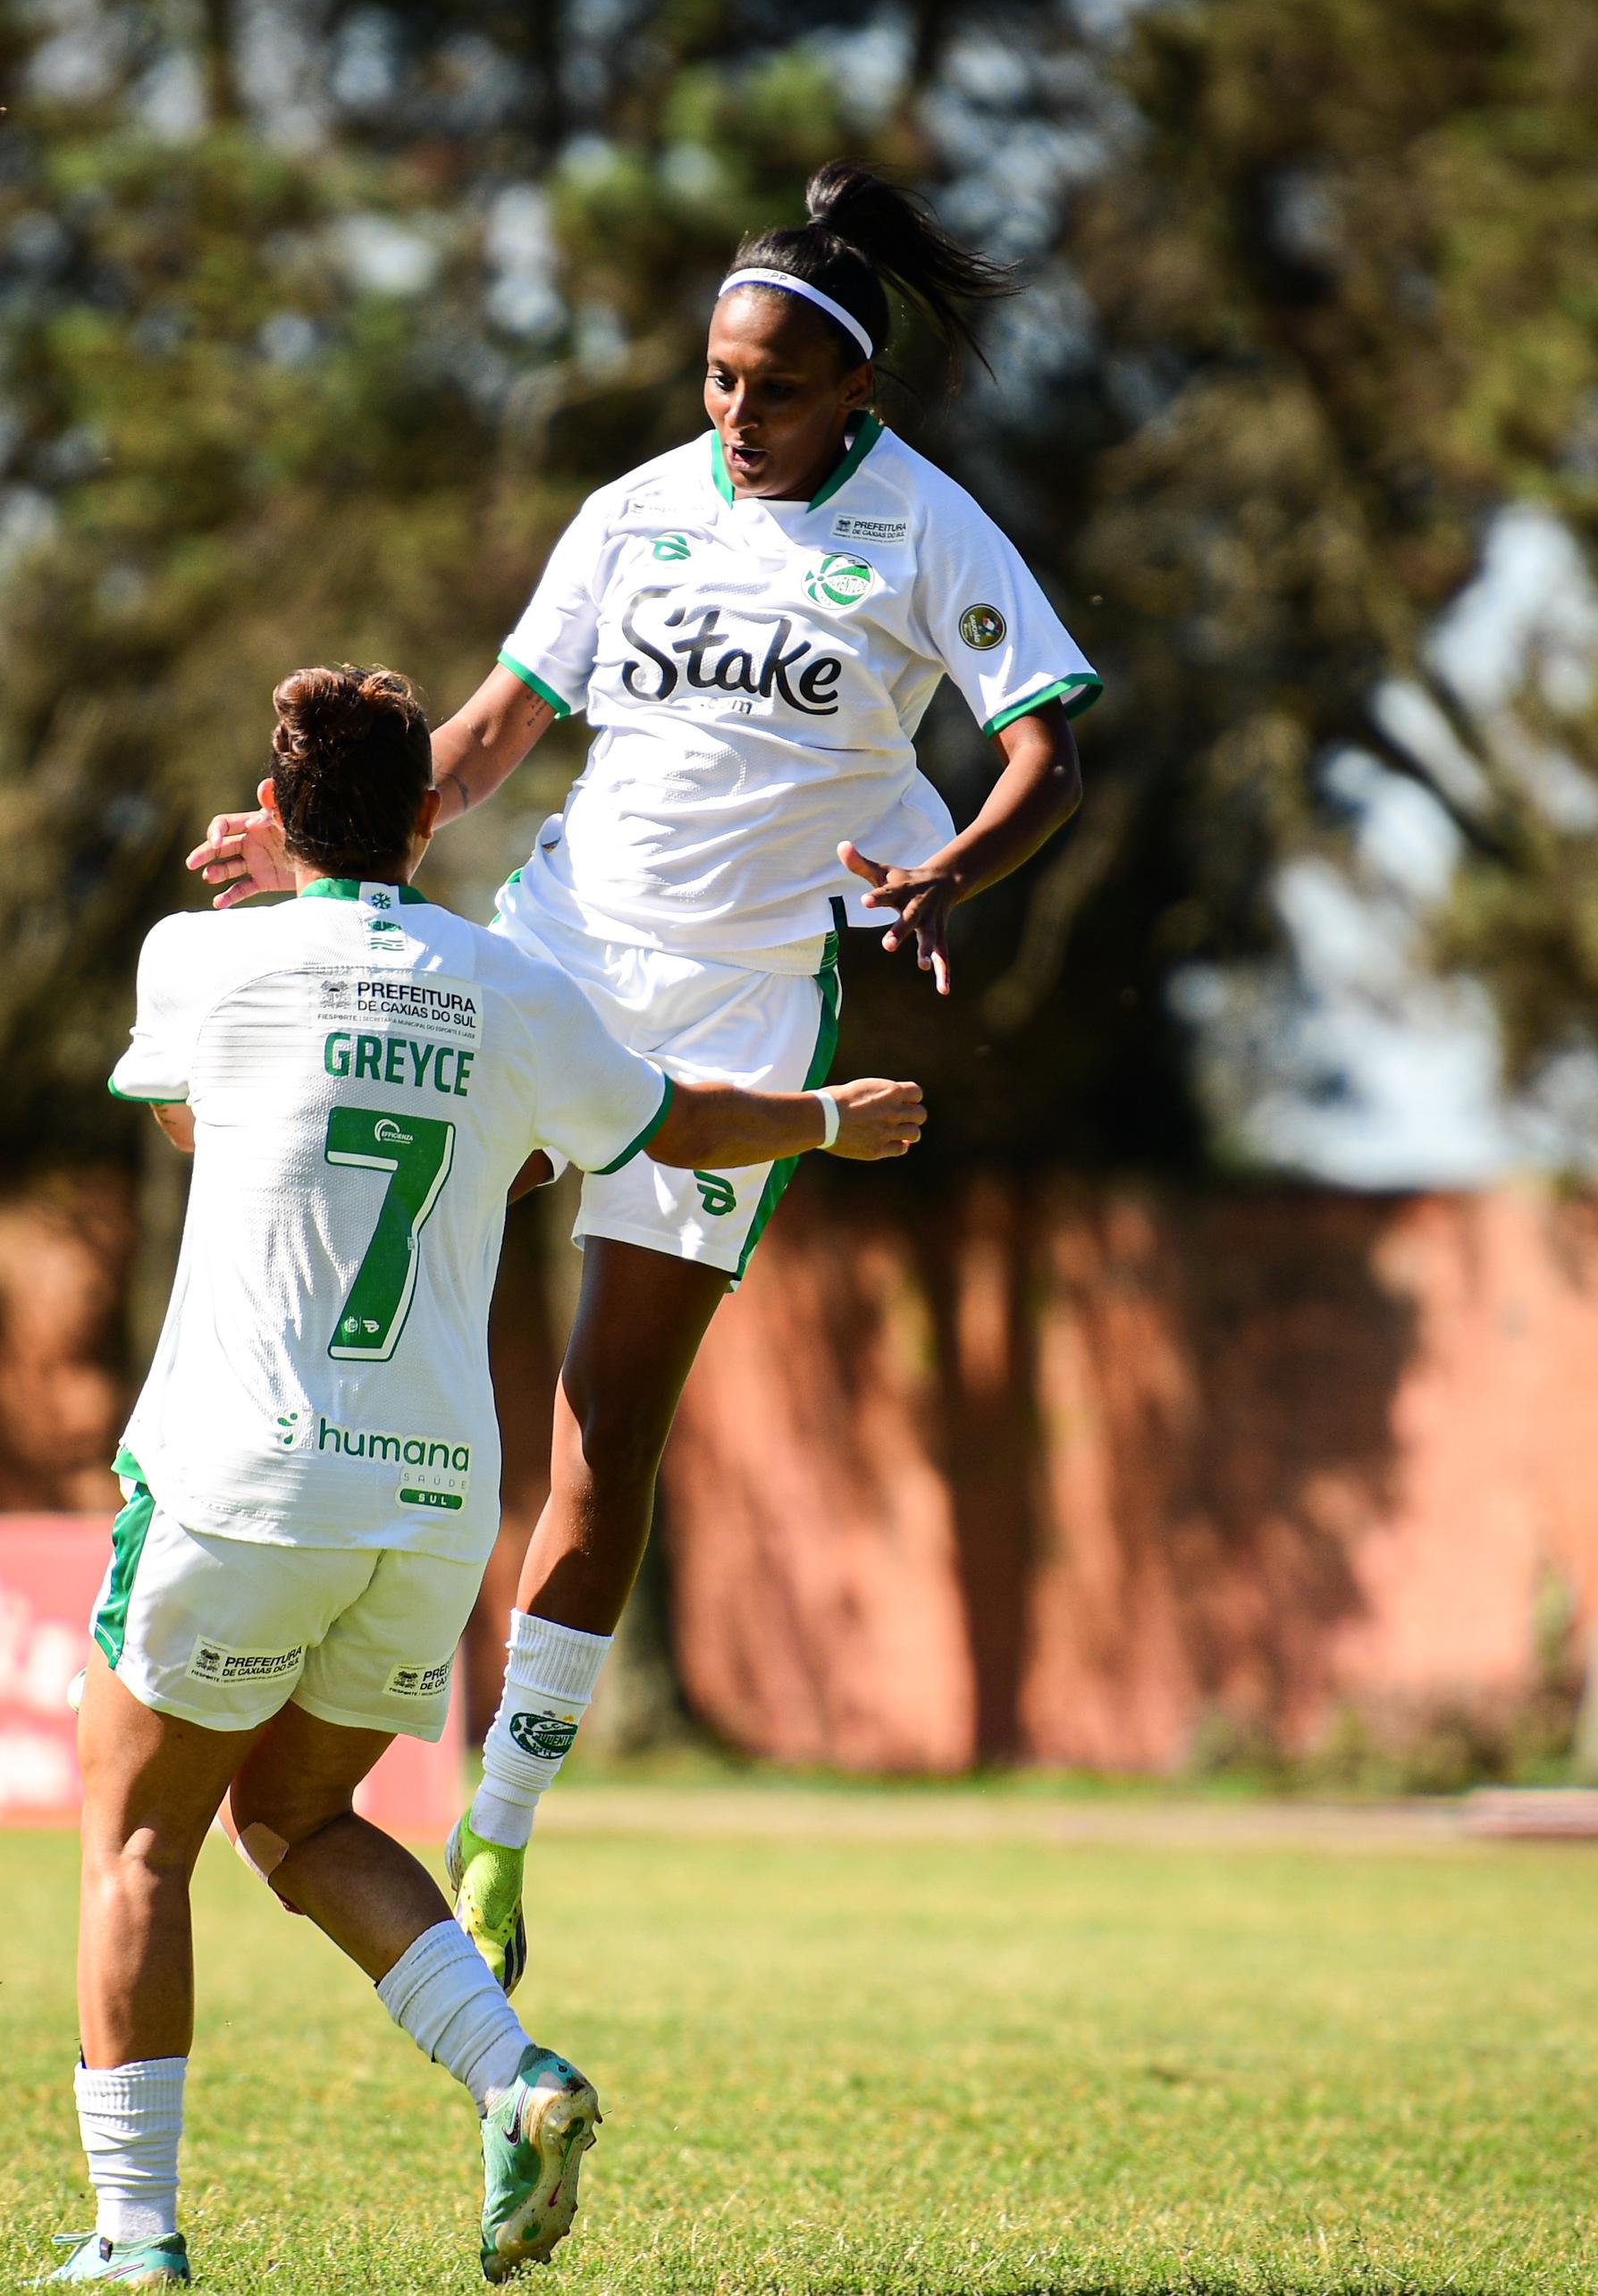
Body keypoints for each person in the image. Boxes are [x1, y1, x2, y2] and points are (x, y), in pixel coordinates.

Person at [186, 164, 1098, 1989]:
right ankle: (268, 1565)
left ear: (857, 392)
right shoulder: (630, 518)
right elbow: (488, 737)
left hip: (752, 1015)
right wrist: (327, 849)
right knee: (379, 1215)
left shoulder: (929, 532)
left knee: (603, 1448)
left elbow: (1046, 755)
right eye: (712, 379)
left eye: (771, 386)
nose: (734, 414)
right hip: (565, 949)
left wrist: (947, 870)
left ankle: (502, 1823)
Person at [54, 666, 927, 2287]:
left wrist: (281, 892)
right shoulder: (513, 995)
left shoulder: (200, 956)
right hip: (435, 1500)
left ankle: (132, 2237)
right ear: (430, 812)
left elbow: (190, 1120)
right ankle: (514, 2074)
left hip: (238, 1474)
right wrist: (826, 1112)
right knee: (303, 1816)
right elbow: (674, 1127)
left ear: (280, 808)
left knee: (136, 1842)